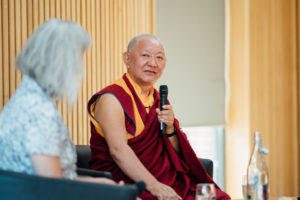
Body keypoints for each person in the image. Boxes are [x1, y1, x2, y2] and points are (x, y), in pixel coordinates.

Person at [87, 34, 231, 199]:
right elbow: (118, 151)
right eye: (145, 55)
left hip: (167, 180)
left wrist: (170, 129)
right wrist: (155, 186)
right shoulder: (112, 98)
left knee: (220, 198)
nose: (153, 63)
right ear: (126, 59)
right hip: (126, 181)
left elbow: (175, 152)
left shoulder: (157, 99)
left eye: (159, 57)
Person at [0, 19, 115, 185]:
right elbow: (53, 188)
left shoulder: (23, 98)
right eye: (79, 58)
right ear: (63, 63)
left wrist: (101, 184)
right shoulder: (39, 112)